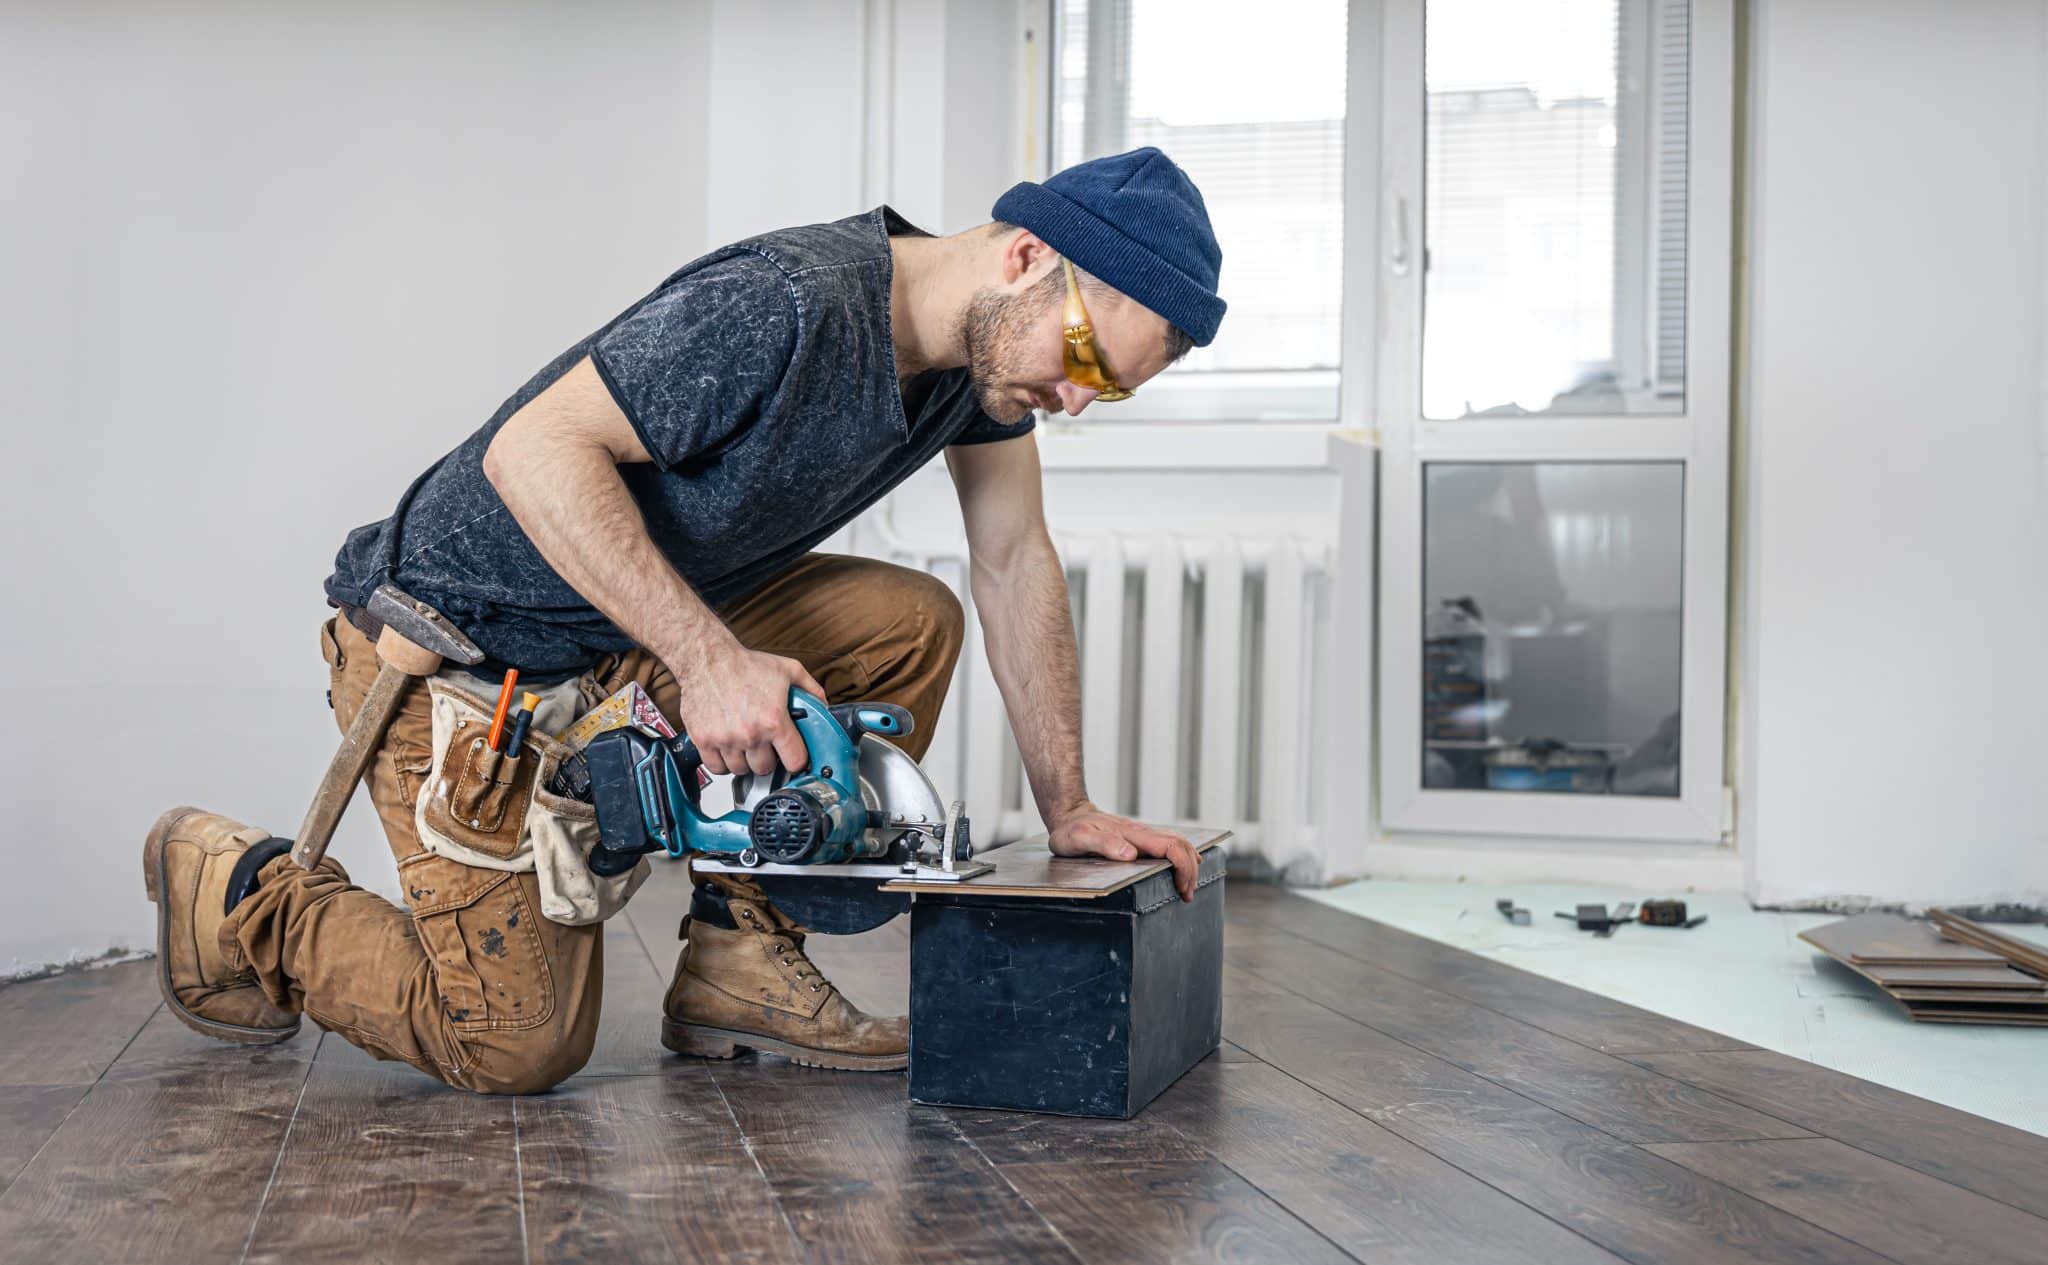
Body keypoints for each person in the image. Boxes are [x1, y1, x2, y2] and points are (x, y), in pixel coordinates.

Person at [141, 147, 1226, 1094]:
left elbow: (1011, 555)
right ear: (1025, 256)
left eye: (1108, 390)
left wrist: (1068, 804)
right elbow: (533, 452)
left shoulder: (970, 371)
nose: (1076, 400)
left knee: (907, 623)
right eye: (1083, 360)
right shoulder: (786, 304)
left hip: (614, 642)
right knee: (513, 1045)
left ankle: (739, 957)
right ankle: (234, 886)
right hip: (464, 653)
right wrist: (706, 660)